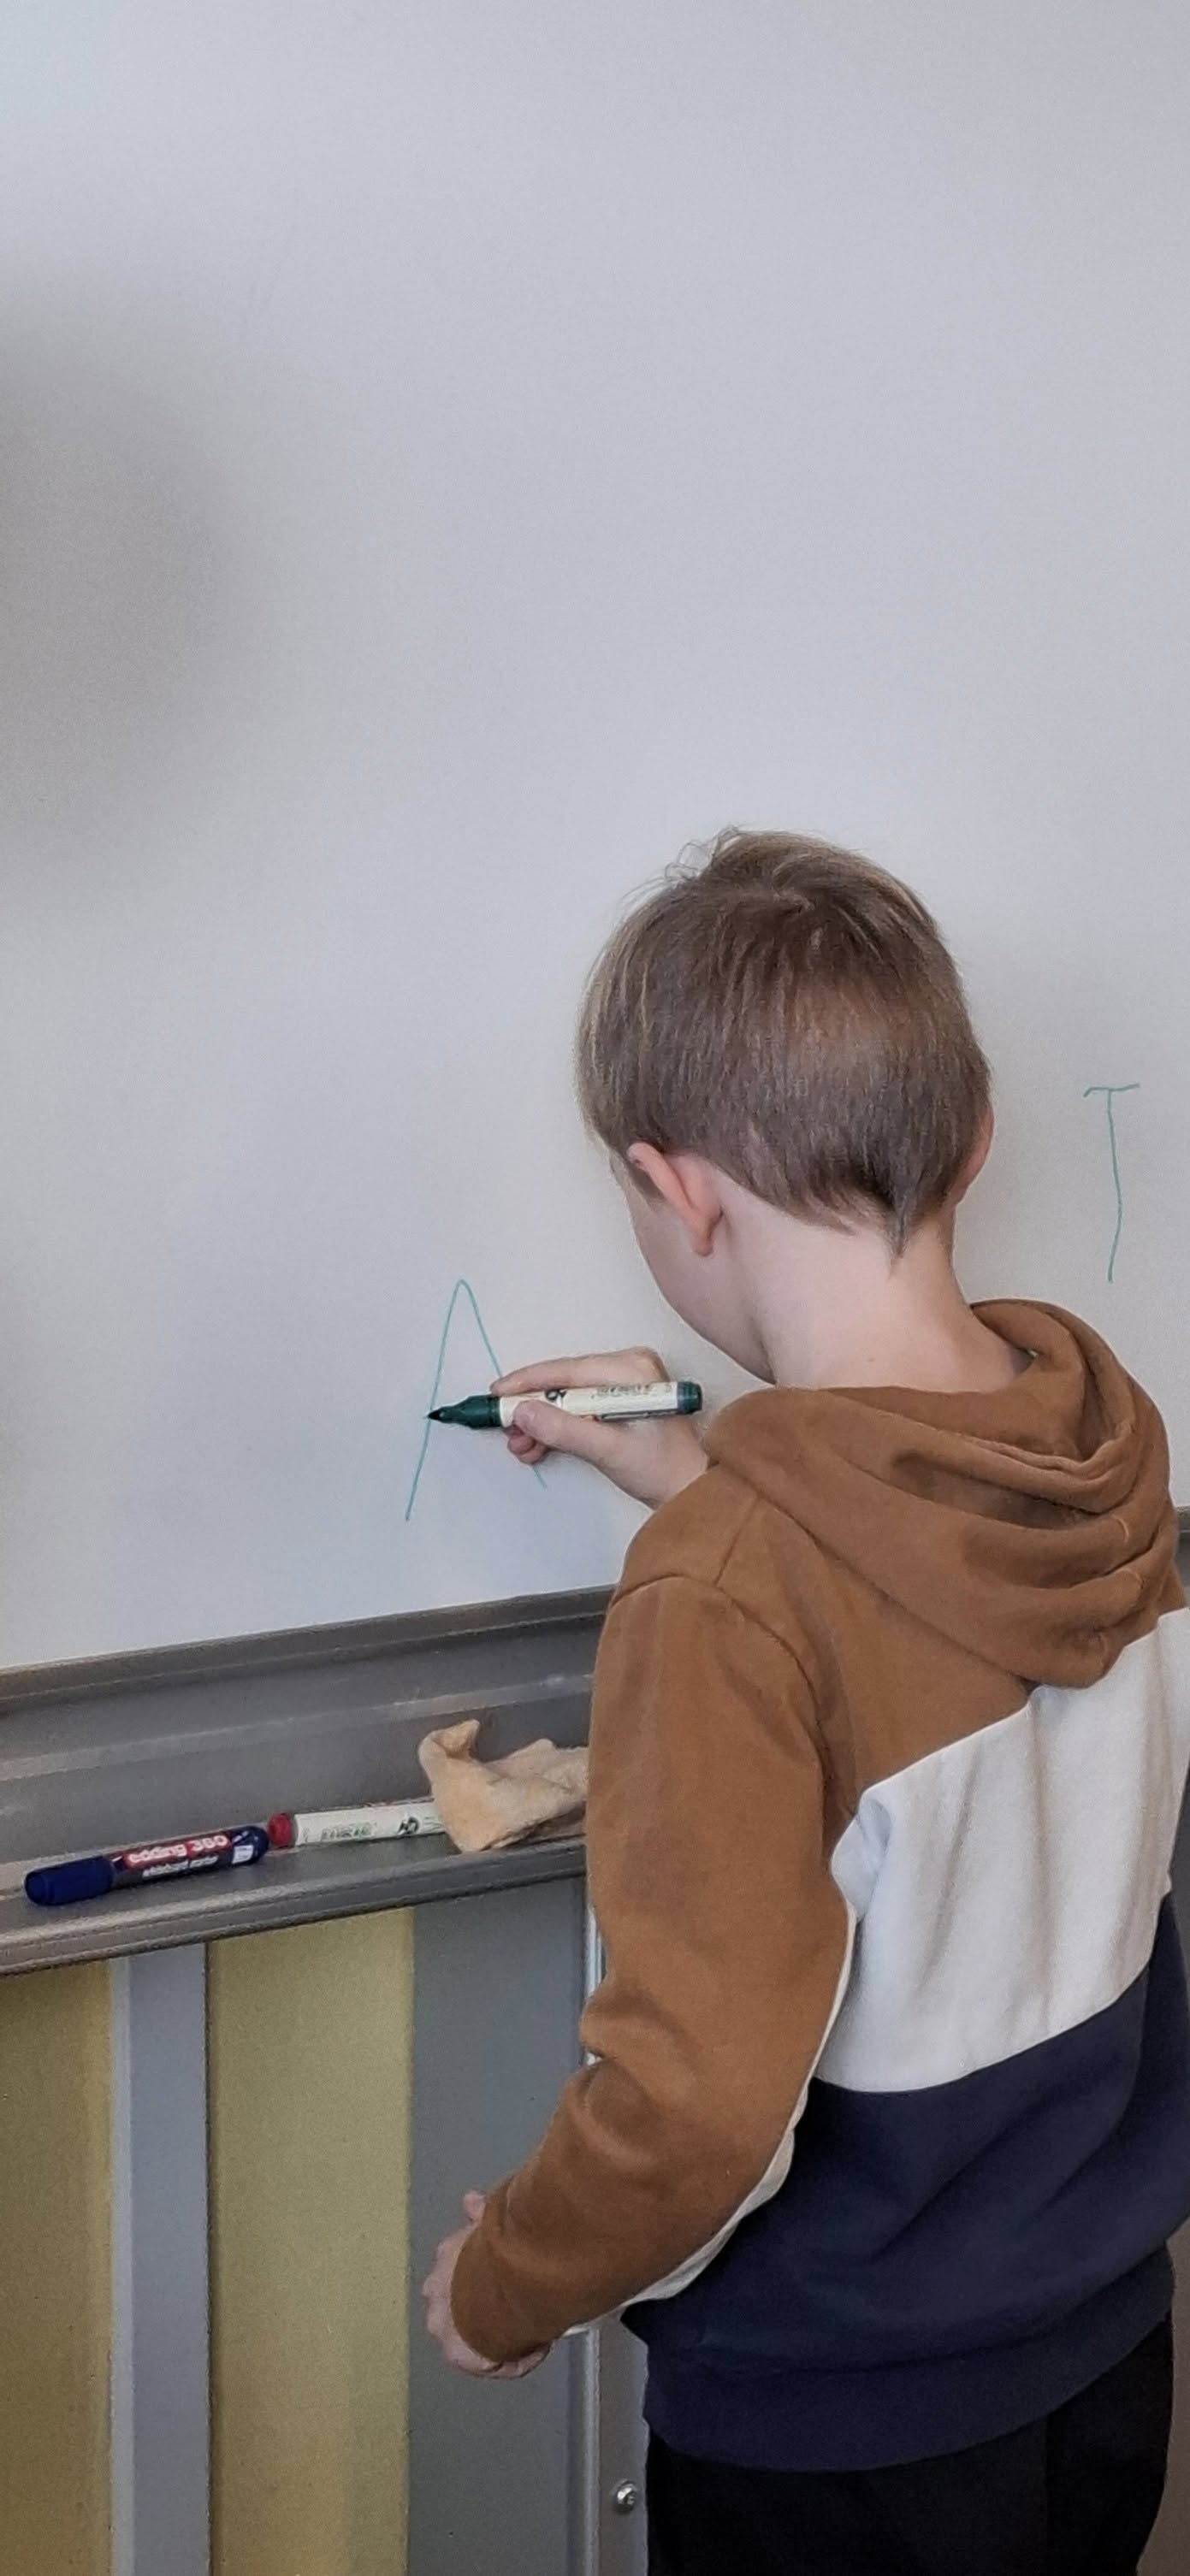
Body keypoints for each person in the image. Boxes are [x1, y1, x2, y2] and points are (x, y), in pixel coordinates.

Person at [423, 830, 1190, 2576]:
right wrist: (703, 1477)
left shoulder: (723, 1598)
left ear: (677, 1193)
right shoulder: (1097, 1443)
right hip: (1104, 2360)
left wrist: (509, 2278)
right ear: (976, 1139)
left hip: (839, 2440)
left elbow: (692, 2110)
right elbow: (931, 1633)